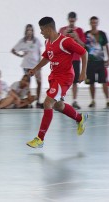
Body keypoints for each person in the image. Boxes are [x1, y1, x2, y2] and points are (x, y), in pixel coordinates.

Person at [26, 17, 88, 148]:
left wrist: (83, 72)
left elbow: (84, 53)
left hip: (64, 77)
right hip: (54, 77)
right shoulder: (48, 41)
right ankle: (80, 118)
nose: (41, 32)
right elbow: (47, 57)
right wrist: (35, 69)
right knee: (58, 106)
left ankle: (40, 139)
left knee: (47, 103)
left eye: (42, 30)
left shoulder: (66, 42)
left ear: (48, 28)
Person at [59, 12, 86, 109]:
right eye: (70, 18)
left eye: (73, 18)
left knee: (75, 81)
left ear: (75, 19)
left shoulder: (79, 30)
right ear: (68, 19)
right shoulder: (62, 30)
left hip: (75, 59)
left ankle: (74, 101)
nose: (72, 20)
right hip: (64, 59)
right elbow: (57, 43)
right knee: (62, 80)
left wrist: (76, 37)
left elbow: (83, 46)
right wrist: (63, 35)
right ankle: (61, 99)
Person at [11, 24, 43, 108]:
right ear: (26, 31)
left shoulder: (36, 41)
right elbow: (13, 50)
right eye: (28, 30)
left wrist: (40, 65)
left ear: (33, 31)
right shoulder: (22, 41)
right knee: (27, 84)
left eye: (31, 30)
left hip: (36, 65)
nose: (29, 32)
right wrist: (20, 55)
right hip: (26, 65)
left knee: (39, 82)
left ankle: (38, 101)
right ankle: (27, 101)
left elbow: (39, 53)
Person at [85, 16, 109, 108]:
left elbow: (106, 46)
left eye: (95, 22)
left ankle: (107, 100)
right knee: (91, 83)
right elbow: (83, 46)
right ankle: (93, 101)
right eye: (92, 22)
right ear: (90, 23)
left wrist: (108, 58)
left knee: (104, 82)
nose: (94, 24)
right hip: (90, 62)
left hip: (100, 62)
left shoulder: (102, 34)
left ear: (97, 23)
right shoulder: (86, 34)